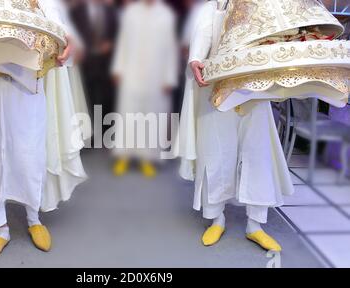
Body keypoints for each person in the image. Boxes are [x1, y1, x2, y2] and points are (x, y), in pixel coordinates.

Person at [0, 0, 88, 262]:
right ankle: (0, 229)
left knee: (28, 154)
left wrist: (65, 41)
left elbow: (58, 27)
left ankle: (34, 219)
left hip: (26, 87)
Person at [178, 0, 294, 252]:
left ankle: (255, 226)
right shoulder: (216, 5)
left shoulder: (267, 5)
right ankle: (216, 218)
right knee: (215, 153)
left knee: (258, 154)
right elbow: (204, 32)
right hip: (218, 86)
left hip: (256, 87)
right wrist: (196, 58)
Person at [111, 0, 178, 178]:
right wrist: (118, 68)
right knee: (128, 114)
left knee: (151, 117)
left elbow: (170, 49)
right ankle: (123, 155)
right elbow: (123, 41)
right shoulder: (131, 12)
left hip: (155, 75)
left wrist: (168, 77)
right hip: (131, 71)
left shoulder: (166, 15)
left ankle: (147, 158)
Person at [71, 0, 118, 118]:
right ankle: (91, 132)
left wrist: (111, 44)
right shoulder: (77, 11)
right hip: (85, 65)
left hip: (107, 65)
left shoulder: (110, 11)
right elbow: (74, 35)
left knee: (108, 101)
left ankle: (107, 132)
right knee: (88, 100)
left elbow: (118, 34)